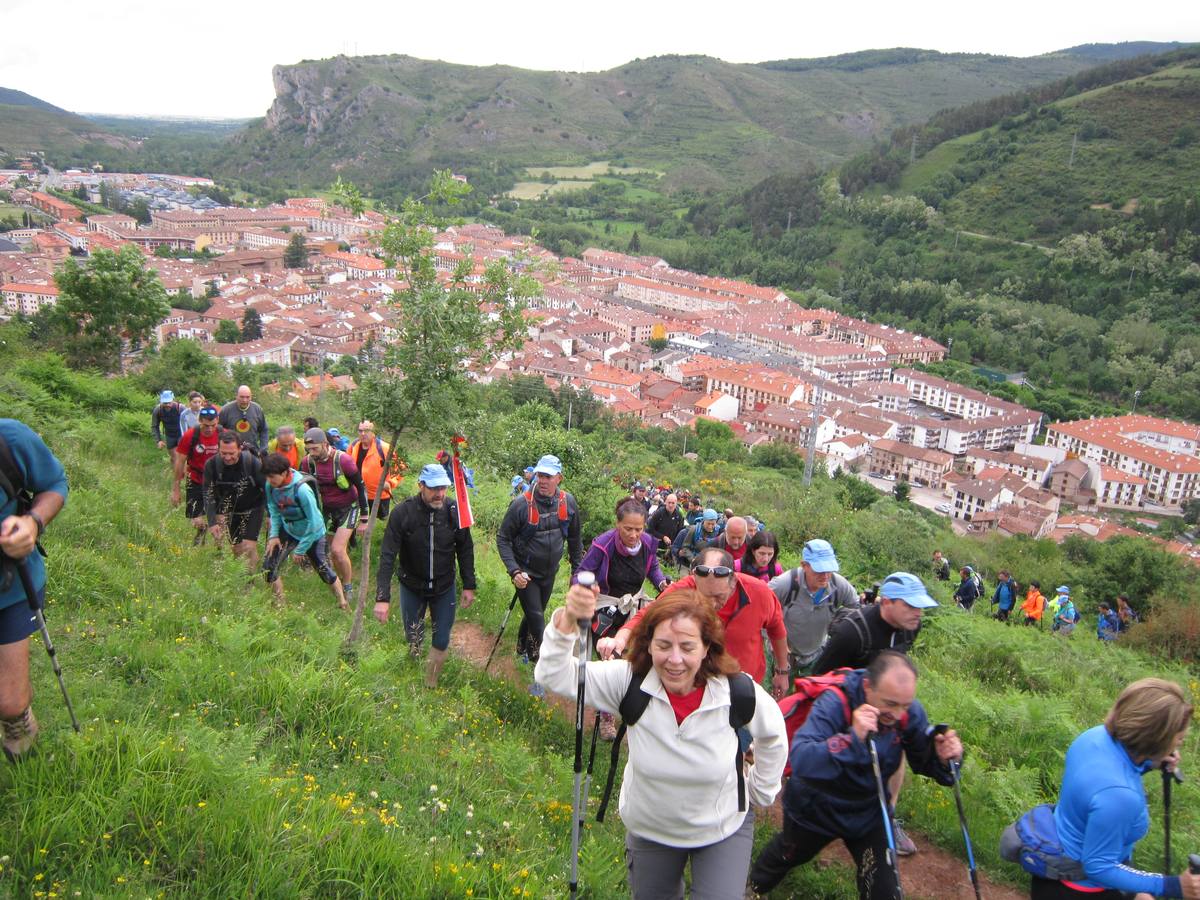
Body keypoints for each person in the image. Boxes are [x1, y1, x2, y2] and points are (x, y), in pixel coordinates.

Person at [537, 588, 787, 900]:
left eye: (687, 646)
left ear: (707, 647)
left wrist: (761, 791)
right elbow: (554, 675)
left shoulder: (736, 691)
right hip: (652, 828)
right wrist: (568, 621)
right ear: (649, 643)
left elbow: (773, 732)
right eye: (664, 645)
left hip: (722, 826)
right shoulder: (630, 681)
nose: (675, 659)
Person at [748, 651, 963, 899]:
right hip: (816, 808)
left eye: (905, 705)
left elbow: (923, 760)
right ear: (867, 686)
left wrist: (946, 759)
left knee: (884, 888)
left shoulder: (908, 713)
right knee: (788, 853)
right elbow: (802, 758)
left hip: (869, 811)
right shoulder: (835, 703)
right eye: (890, 704)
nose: (898, 714)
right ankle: (753, 887)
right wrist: (852, 739)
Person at [809, 571, 937, 857]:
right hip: (843, 708)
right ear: (887, 602)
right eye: (911, 606)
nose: (918, 613)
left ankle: (886, 816)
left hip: (885, 709)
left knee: (898, 748)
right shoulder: (851, 632)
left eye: (921, 606)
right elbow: (819, 677)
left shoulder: (911, 628)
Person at [1036, 678, 1200, 900]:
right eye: (1178, 740)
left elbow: (1111, 775)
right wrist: (1171, 886)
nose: (1178, 746)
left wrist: (1150, 762)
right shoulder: (1121, 796)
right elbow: (1098, 866)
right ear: (1156, 739)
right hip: (1082, 890)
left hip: (1052, 869)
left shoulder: (1093, 737)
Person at [600, 547, 791, 700]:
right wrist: (621, 638)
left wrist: (782, 670)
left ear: (733, 581)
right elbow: (648, 614)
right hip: (697, 684)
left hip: (742, 686)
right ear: (695, 580)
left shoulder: (760, 594)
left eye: (719, 596)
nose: (711, 605)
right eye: (704, 596)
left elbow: (776, 628)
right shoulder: (684, 588)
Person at [0, 419, 68, 761]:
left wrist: (32, 522)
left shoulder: (9, 439)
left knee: (9, 701)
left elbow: (54, 483)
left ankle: (19, 723)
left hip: (9, 587)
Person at [375, 464, 476, 687]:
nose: (439, 493)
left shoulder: (454, 511)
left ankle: (430, 684)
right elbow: (388, 555)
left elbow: (465, 549)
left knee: (441, 639)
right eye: (433, 488)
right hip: (411, 586)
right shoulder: (403, 513)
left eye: (443, 488)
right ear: (421, 486)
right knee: (414, 637)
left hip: (444, 586)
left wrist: (469, 585)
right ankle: (413, 672)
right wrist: (382, 597)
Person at [577, 497, 671, 729]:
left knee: (633, 659)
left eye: (638, 529)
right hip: (605, 605)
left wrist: (660, 584)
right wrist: (586, 589)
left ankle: (630, 706)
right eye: (628, 529)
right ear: (618, 524)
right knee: (610, 659)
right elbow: (581, 573)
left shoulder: (648, 543)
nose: (633, 534)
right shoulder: (603, 544)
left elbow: (653, 568)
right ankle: (606, 715)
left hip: (633, 607)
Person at [496, 454, 582, 664]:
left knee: (536, 611)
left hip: (549, 572)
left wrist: (576, 574)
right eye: (540, 475)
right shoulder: (521, 504)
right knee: (537, 617)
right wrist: (514, 571)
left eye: (548, 476)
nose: (542, 480)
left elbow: (575, 539)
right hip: (525, 574)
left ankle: (521, 647)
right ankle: (538, 663)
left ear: (559, 478)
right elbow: (503, 538)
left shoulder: (567, 502)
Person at [261, 452, 347, 610]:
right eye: (267, 477)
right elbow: (273, 509)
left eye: (272, 477)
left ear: (285, 472)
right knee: (268, 567)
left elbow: (314, 523)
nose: (269, 481)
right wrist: (273, 536)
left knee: (323, 570)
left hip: (312, 532)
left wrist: (301, 549)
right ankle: (281, 604)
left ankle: (342, 602)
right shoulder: (270, 486)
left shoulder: (302, 491)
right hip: (289, 529)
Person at [768, 539, 860, 676]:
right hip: (784, 655)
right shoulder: (784, 584)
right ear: (804, 565)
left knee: (811, 695)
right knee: (779, 695)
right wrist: (772, 642)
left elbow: (857, 609)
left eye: (828, 570)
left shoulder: (838, 585)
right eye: (819, 570)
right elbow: (761, 609)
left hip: (817, 654)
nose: (825, 576)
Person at [300, 428, 369, 597]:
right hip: (327, 510)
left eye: (315, 448)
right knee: (329, 551)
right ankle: (336, 581)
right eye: (309, 449)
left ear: (325, 444)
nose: (312, 452)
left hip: (349, 508)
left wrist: (365, 518)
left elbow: (360, 487)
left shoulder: (343, 460)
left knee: (338, 550)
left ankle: (347, 586)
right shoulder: (307, 463)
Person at [202, 430, 267, 573]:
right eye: (223, 453)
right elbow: (208, 493)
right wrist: (212, 522)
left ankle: (249, 583)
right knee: (237, 549)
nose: (227, 457)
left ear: (239, 448)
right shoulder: (212, 465)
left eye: (232, 453)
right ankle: (244, 575)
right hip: (232, 511)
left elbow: (266, 488)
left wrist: (270, 515)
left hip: (254, 508)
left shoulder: (252, 463)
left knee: (248, 546)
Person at [172, 405, 221, 544]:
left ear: (217, 421)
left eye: (213, 425)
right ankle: (202, 530)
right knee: (196, 520)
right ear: (199, 420)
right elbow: (180, 461)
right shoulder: (190, 436)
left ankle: (219, 551)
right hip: (196, 480)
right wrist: (176, 488)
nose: (210, 429)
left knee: (220, 520)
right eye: (206, 425)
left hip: (218, 482)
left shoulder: (223, 434)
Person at [350, 420, 404, 521]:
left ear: (373, 432)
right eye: (360, 431)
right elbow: (346, 464)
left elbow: (400, 468)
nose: (362, 434)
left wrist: (391, 482)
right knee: (359, 519)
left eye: (366, 430)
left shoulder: (384, 448)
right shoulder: (353, 446)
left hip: (379, 495)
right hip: (358, 493)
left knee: (382, 519)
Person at [218, 385, 269, 455]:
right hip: (231, 453)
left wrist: (263, 448)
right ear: (236, 396)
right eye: (241, 397)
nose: (244, 400)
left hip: (252, 452)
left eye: (247, 397)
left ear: (251, 397)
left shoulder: (257, 409)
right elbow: (217, 430)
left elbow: (264, 430)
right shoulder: (226, 410)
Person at [646, 492, 685, 559]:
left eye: (673, 503)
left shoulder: (679, 515)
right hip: (657, 544)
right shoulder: (659, 513)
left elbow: (680, 532)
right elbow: (650, 529)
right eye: (669, 502)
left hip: (670, 547)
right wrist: (663, 537)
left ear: (676, 503)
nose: (670, 505)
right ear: (665, 502)